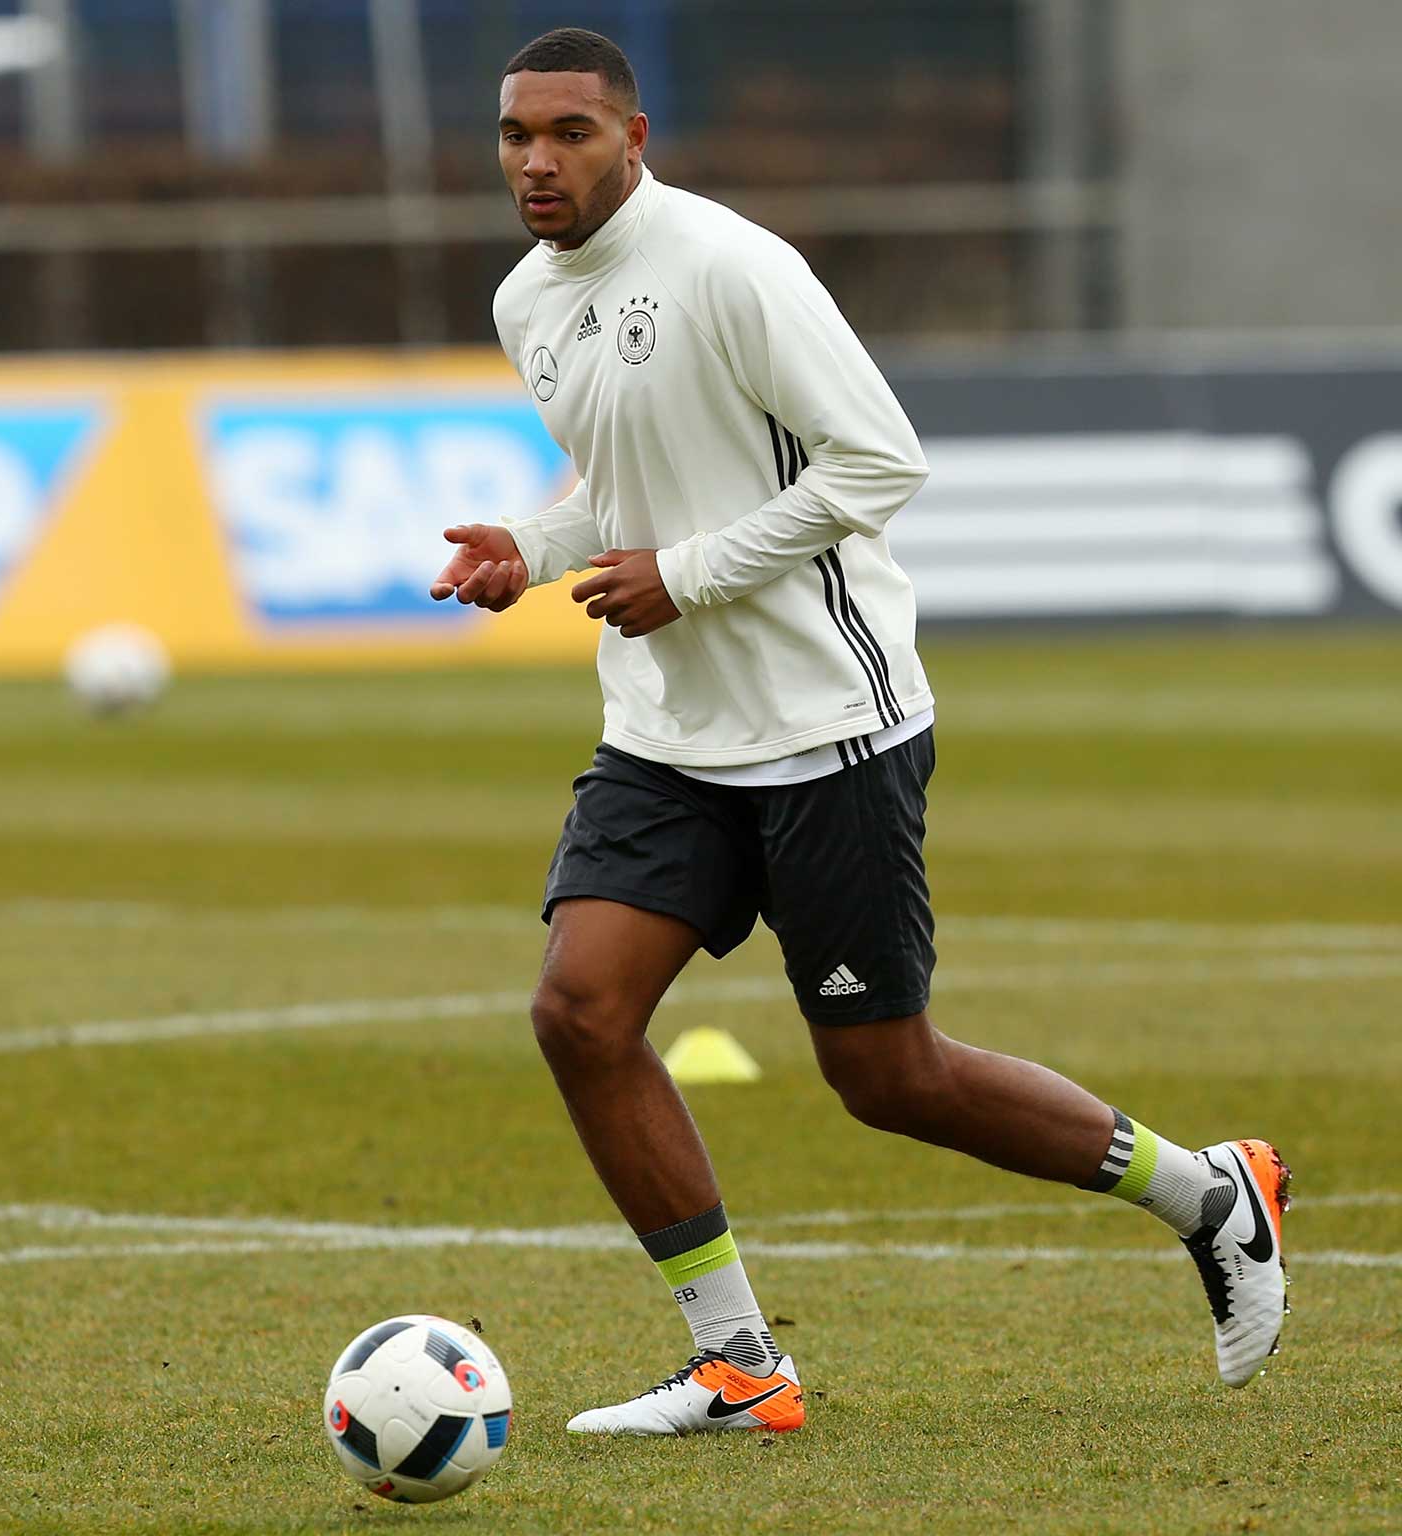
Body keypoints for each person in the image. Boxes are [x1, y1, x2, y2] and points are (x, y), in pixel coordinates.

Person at [429, 26, 1290, 1437]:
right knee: (580, 1013)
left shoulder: (733, 268)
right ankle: (740, 1361)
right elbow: (629, 482)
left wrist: (688, 575)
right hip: (666, 734)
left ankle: (1209, 1195)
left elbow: (881, 460)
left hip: (828, 723)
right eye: (518, 134)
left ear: (635, 139)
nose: (538, 159)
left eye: (571, 132)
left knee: (888, 1077)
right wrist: (529, 544)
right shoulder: (530, 301)